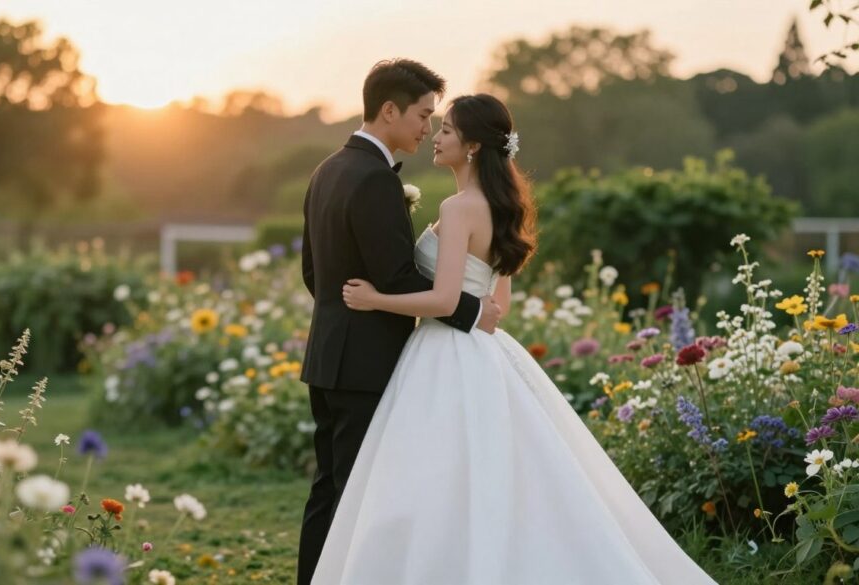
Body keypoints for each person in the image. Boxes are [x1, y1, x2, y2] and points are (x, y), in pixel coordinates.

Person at [311, 93, 718, 584]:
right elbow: (496, 306)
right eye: (434, 126)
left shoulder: (459, 208)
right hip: (484, 352)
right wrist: (474, 309)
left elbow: (443, 302)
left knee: (434, 479)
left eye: (446, 131)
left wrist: (378, 299)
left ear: (474, 145)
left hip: (443, 351)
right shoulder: (505, 207)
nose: (435, 138)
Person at [296, 59, 502, 585]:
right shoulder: (373, 180)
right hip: (365, 362)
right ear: (389, 110)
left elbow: (313, 274)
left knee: (330, 489)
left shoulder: (327, 170)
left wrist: (347, 310)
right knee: (359, 491)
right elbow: (396, 277)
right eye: (422, 114)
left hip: (326, 355)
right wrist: (474, 311)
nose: (427, 127)